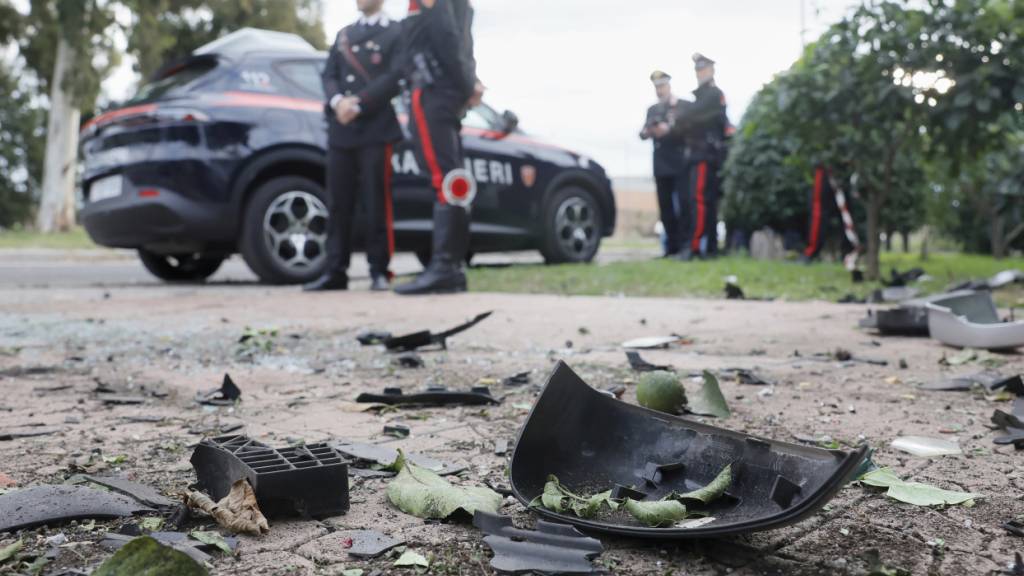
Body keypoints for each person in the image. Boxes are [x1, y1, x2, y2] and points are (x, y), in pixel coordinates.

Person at [305, 0, 404, 292]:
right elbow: (329, 74)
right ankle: (335, 270)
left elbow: (395, 76)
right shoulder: (344, 34)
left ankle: (379, 270)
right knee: (338, 203)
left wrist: (360, 103)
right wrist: (338, 102)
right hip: (342, 129)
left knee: (376, 201)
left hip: (375, 127)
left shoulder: (396, 32)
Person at [394, 0, 482, 296]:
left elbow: (447, 36)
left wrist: (468, 83)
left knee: (444, 179)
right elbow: (458, 40)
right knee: (452, 180)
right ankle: (451, 268)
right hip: (444, 91)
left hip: (432, 92)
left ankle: (445, 268)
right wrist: (469, 82)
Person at [675, 53, 728, 260]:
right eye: (697, 70)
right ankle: (711, 248)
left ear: (711, 70)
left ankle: (696, 247)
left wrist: (685, 116)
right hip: (701, 155)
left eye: (703, 69)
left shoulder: (713, 95)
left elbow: (693, 117)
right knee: (706, 201)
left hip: (705, 155)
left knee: (700, 200)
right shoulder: (700, 98)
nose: (700, 73)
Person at [639, 71, 690, 258]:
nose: (659, 90)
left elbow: (685, 131)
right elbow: (642, 133)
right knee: (666, 208)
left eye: (662, 86)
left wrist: (668, 130)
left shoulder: (680, 106)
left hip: (678, 165)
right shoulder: (652, 110)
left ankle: (686, 246)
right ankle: (671, 248)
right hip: (660, 166)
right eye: (657, 87)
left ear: (668, 86)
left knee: (683, 206)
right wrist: (650, 131)